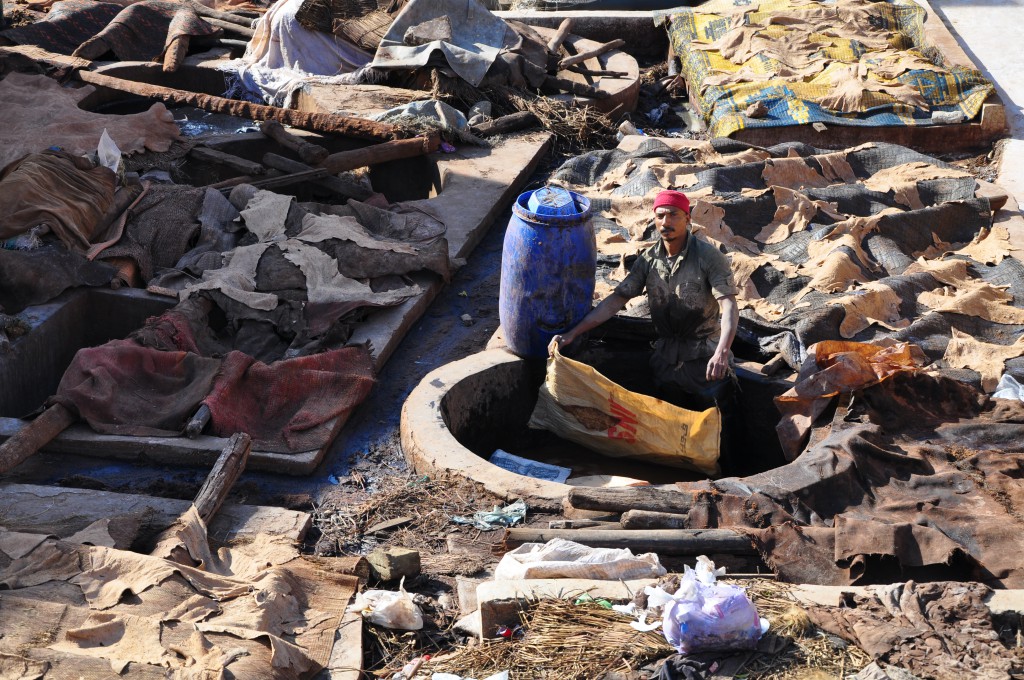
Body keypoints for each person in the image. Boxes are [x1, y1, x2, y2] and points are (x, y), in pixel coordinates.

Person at [548, 189, 740, 466]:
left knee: (722, 428)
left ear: (687, 218)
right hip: (665, 359)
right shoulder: (649, 260)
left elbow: (730, 306)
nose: (666, 222)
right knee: (670, 429)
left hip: (705, 362)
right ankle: (679, 478)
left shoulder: (709, 257)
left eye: (673, 214)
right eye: (660, 215)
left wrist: (722, 352)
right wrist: (572, 333)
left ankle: (732, 477)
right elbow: (616, 300)